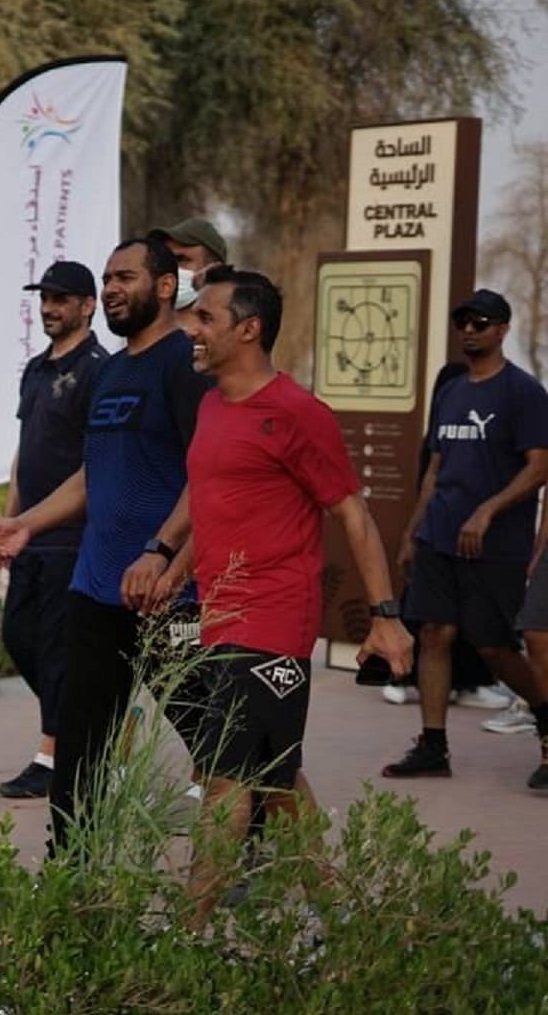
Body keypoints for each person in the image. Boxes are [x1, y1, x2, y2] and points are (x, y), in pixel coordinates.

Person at [174, 266, 414, 915]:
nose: (190, 328)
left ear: (248, 330)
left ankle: (185, 939)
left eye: (205, 318)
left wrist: (385, 616)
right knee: (274, 782)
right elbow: (212, 500)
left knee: (225, 778)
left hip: (273, 622)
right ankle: (347, 925)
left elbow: (352, 512)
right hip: (219, 619)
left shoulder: (298, 414)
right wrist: (169, 571)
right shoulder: (211, 404)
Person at [0, 238, 210, 852]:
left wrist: (162, 553)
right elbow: (92, 472)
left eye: (125, 277)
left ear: (165, 286)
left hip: (165, 592)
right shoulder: (108, 370)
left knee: (217, 738)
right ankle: (71, 868)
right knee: (80, 744)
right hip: (95, 585)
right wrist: (28, 523)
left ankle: (259, 849)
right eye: (107, 277)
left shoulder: (180, 365)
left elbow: (207, 473)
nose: (112, 287)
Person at [380, 288, 548, 787]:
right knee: (434, 633)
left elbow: (540, 468)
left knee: (494, 646)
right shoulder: (452, 391)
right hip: (438, 538)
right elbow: (435, 469)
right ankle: (434, 745)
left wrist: (487, 511)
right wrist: (412, 531)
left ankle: (544, 712)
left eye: (481, 322)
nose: (470, 330)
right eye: (464, 322)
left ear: (502, 330)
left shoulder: (524, 392)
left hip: (493, 543)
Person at [0, 260, 107, 799]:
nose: (49, 307)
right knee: (19, 637)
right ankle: (89, 723)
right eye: (45, 297)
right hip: (31, 536)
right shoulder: (37, 368)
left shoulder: (97, 368)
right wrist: (14, 518)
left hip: (75, 534)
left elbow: (99, 460)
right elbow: (26, 450)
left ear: (88, 305)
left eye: (62, 298)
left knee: (60, 650)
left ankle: (54, 754)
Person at [149, 215, 229, 329]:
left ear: (213, 269)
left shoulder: (229, 339)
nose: (169, 267)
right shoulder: (138, 338)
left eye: (181, 259)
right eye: (164, 259)